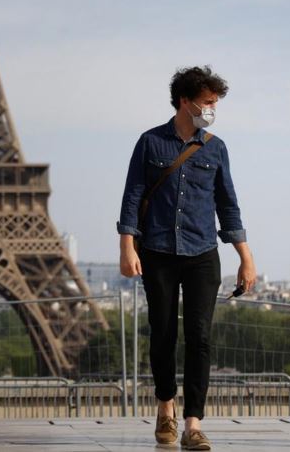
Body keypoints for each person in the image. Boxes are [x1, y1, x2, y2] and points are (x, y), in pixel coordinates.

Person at [117, 66, 257, 451]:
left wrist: (245, 257)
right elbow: (133, 195)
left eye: (215, 102)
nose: (213, 109)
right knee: (162, 334)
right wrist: (126, 245)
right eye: (208, 102)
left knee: (200, 338)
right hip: (158, 250)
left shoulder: (216, 147)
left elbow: (228, 205)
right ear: (185, 100)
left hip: (202, 253)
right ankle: (166, 405)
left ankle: (193, 423)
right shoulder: (150, 143)